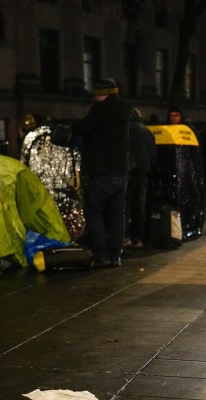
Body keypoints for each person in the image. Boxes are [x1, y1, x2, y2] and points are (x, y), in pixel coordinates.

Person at [72, 78, 132, 267]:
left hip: (100, 172)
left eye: (98, 94)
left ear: (104, 94)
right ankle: (116, 255)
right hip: (121, 172)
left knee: (94, 212)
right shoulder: (124, 111)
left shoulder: (100, 110)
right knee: (117, 215)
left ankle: (101, 255)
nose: (96, 97)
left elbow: (82, 128)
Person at [124, 108, 156, 248]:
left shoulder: (127, 129)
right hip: (144, 171)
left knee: (126, 204)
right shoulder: (147, 131)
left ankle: (125, 237)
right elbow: (153, 153)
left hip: (130, 169)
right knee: (140, 205)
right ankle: (138, 238)